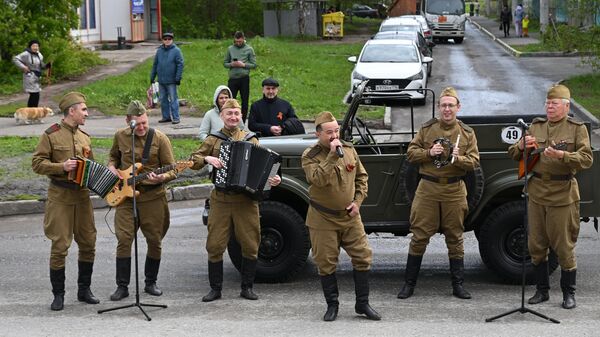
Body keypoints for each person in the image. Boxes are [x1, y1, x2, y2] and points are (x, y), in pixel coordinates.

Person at [508, 84, 593, 309]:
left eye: (554, 104)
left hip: (563, 193)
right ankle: (541, 291)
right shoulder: (536, 126)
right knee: (536, 245)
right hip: (536, 192)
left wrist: (563, 155)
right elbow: (514, 154)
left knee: (564, 246)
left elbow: (587, 159)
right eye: (547, 103)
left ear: (566, 106)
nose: (549, 107)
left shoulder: (576, 128)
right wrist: (521, 145)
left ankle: (568, 293)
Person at [190, 98, 281, 302]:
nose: (233, 117)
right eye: (229, 113)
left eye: (236, 114)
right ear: (222, 116)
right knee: (215, 244)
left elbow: (266, 169)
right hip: (221, 199)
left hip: (246, 201)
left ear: (241, 116)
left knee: (250, 244)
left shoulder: (251, 139)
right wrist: (207, 159)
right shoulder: (214, 139)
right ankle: (215, 289)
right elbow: (193, 160)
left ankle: (247, 287)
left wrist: (273, 179)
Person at [397, 87, 480, 301]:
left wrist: (458, 158)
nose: (447, 109)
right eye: (443, 105)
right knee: (419, 236)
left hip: (454, 188)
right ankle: (409, 284)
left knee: (455, 236)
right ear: (438, 107)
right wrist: (428, 152)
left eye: (451, 105)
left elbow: (474, 163)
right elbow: (411, 153)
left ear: (458, 107)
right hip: (428, 188)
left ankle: (458, 285)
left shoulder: (467, 133)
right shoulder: (427, 130)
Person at [301, 111, 381, 322]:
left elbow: (362, 178)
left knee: (363, 257)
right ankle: (332, 305)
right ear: (318, 134)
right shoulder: (309, 156)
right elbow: (317, 179)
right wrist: (331, 156)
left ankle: (362, 303)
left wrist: (357, 202)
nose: (334, 135)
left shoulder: (348, 149)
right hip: (323, 218)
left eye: (336, 130)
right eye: (329, 132)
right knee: (326, 263)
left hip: (350, 216)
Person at [31, 92, 99, 311]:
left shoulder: (84, 136)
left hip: (82, 197)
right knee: (60, 246)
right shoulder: (51, 135)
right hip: (60, 197)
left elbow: (91, 166)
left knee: (88, 243)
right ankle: (58, 294)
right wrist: (61, 167)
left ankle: (84, 290)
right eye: (84, 110)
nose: (86, 114)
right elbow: (37, 164)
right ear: (72, 111)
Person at [107, 100, 177, 301]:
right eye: (137, 124)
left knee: (155, 240)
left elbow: (173, 168)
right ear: (128, 121)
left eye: (145, 122)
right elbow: (113, 157)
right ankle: (122, 286)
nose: (142, 127)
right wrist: (112, 167)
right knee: (124, 240)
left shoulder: (160, 138)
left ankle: (150, 282)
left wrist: (162, 177)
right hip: (125, 198)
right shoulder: (120, 136)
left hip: (153, 196)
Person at [150, 32, 184, 124]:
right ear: (163, 40)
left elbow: (180, 64)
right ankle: (166, 117)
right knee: (163, 99)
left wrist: (178, 77)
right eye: (165, 39)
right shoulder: (159, 51)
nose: (167, 41)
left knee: (173, 99)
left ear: (172, 40)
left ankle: (176, 117)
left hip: (172, 80)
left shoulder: (176, 51)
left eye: (169, 39)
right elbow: (155, 64)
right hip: (161, 80)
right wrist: (152, 76)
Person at [224, 31, 257, 122]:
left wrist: (243, 65)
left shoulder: (249, 49)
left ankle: (242, 122)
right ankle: (230, 120)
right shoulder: (230, 49)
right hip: (233, 79)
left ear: (243, 39)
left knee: (244, 101)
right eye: (236, 41)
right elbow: (225, 63)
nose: (238, 43)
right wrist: (232, 64)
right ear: (234, 40)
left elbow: (254, 65)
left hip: (244, 78)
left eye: (240, 41)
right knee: (231, 101)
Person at [13, 39, 51, 107]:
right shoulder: (26, 54)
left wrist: (46, 66)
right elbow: (15, 59)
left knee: (35, 95)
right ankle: (31, 113)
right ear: (30, 46)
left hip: (37, 76)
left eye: (37, 46)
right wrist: (24, 67)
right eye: (34, 46)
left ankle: (32, 113)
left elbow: (40, 65)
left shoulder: (39, 54)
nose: (35, 47)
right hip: (29, 76)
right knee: (34, 94)